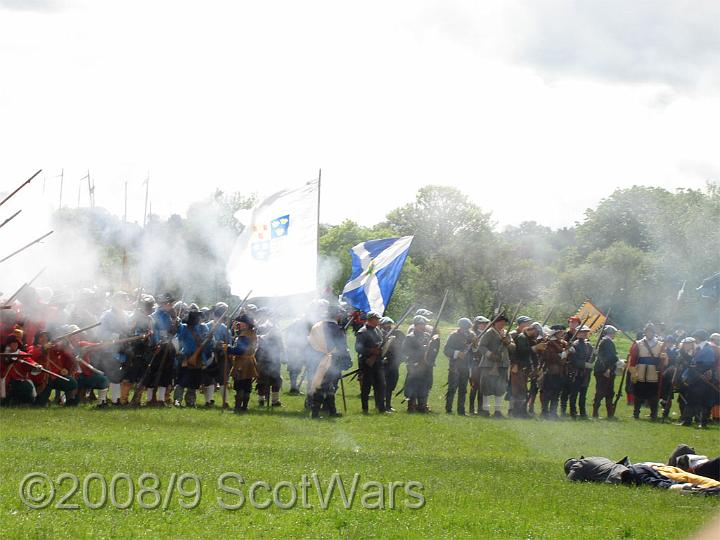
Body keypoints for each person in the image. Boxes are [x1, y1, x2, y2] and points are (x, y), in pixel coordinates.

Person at [307, 304, 352, 419]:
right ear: (337, 315)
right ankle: (315, 413)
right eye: (340, 313)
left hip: (317, 359)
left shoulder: (316, 326)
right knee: (323, 386)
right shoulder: (337, 329)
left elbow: (310, 343)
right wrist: (346, 359)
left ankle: (332, 411)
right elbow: (342, 347)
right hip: (331, 361)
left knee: (328, 387)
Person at [173, 305, 210, 407]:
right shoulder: (184, 327)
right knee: (182, 380)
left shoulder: (203, 327)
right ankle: (177, 400)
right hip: (186, 356)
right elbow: (177, 340)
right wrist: (178, 352)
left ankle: (190, 401)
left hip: (198, 357)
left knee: (194, 381)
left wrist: (209, 339)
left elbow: (208, 344)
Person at [144, 293, 177, 407]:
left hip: (167, 346)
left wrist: (174, 321)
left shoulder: (169, 315)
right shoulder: (154, 316)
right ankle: (149, 399)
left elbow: (172, 330)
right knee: (153, 372)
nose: (171, 306)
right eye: (170, 304)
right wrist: (157, 343)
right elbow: (154, 331)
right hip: (157, 347)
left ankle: (161, 399)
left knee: (166, 373)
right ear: (165, 304)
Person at [681, 330, 719, 429]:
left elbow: (709, 363)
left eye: (696, 337)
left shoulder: (708, 349)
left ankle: (703, 422)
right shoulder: (698, 348)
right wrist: (686, 358)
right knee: (691, 398)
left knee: (704, 401)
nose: (695, 339)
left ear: (700, 337)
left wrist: (696, 366)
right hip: (695, 378)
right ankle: (687, 420)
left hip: (703, 378)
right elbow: (693, 361)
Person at [96, 291, 130, 405]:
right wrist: (117, 335)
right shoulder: (107, 315)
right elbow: (101, 333)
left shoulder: (126, 315)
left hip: (122, 349)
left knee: (119, 376)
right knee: (113, 376)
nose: (124, 303)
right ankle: (113, 400)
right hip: (110, 350)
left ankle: (116, 399)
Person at [29, 331, 78, 406]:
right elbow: (32, 355)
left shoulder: (53, 348)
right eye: (41, 337)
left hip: (55, 377)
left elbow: (66, 352)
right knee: (40, 404)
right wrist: (43, 348)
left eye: (46, 337)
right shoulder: (33, 348)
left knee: (72, 383)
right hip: (42, 379)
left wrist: (65, 342)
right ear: (37, 339)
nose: (44, 339)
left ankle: (69, 401)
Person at [627, 323, 665, 420]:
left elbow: (663, 360)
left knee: (653, 395)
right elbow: (633, 359)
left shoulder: (660, 344)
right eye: (647, 331)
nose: (649, 333)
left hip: (653, 373)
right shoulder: (638, 343)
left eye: (651, 331)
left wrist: (662, 360)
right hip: (640, 371)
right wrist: (633, 372)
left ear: (653, 332)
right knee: (638, 394)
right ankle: (636, 413)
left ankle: (653, 414)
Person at [477, 314, 512, 418]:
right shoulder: (489, 333)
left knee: (500, 388)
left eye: (504, 322)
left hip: (502, 364)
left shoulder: (506, 333)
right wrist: (490, 355)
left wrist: (508, 342)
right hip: (489, 364)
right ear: (495, 322)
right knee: (486, 387)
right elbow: (481, 346)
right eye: (501, 322)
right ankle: (485, 410)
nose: (503, 324)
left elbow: (512, 348)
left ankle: (498, 411)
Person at [509, 321, 544, 417]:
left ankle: (522, 412)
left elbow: (532, 354)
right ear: (533, 330)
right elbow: (521, 351)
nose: (537, 336)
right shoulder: (522, 337)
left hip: (524, 367)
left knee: (523, 390)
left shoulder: (528, 339)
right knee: (519, 390)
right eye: (537, 333)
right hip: (519, 366)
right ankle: (517, 412)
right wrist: (535, 347)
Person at [225, 313, 258, 413]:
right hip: (250, 362)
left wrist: (228, 349)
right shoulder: (251, 333)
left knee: (240, 385)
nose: (238, 324)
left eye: (241, 322)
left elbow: (240, 351)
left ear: (246, 325)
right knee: (246, 386)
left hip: (242, 363)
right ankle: (244, 407)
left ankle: (238, 408)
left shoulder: (243, 336)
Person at [355, 311, 387, 414]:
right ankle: (365, 409)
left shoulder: (378, 330)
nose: (378, 321)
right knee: (366, 386)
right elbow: (358, 348)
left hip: (378, 362)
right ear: (371, 319)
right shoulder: (362, 332)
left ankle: (381, 408)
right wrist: (372, 351)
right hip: (366, 362)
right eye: (376, 319)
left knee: (381, 385)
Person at [402, 315, 434, 413]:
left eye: (424, 325)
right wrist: (420, 351)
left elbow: (431, 350)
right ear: (415, 325)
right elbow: (406, 351)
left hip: (426, 365)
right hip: (414, 365)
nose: (423, 326)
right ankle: (411, 406)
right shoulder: (410, 337)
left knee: (425, 385)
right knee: (413, 385)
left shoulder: (427, 336)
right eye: (421, 325)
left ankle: (422, 405)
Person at [443, 318, 474, 415]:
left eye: (468, 327)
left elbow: (475, 351)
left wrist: (476, 344)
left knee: (463, 389)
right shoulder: (453, 335)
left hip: (466, 365)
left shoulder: (471, 335)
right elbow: (446, 350)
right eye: (465, 327)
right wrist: (457, 353)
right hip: (455, 365)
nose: (466, 329)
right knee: (452, 388)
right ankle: (448, 409)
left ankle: (461, 410)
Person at [255, 309, 285, 407]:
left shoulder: (277, 328)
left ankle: (275, 400)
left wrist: (283, 353)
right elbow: (257, 339)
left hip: (275, 357)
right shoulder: (263, 326)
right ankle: (261, 399)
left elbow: (280, 343)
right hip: (263, 357)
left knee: (276, 379)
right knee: (262, 379)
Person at [538, 325, 567, 419]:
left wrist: (566, 353)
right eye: (560, 332)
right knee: (547, 392)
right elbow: (549, 357)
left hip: (559, 371)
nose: (562, 334)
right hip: (550, 370)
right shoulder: (549, 343)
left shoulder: (561, 343)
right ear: (556, 333)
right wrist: (561, 356)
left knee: (556, 393)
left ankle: (553, 412)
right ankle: (545, 412)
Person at [566, 325, 593, 419]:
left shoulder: (588, 345)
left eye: (585, 332)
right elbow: (573, 360)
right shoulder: (574, 345)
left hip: (585, 373)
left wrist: (594, 355)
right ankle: (573, 412)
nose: (584, 333)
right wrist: (584, 364)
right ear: (578, 333)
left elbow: (591, 358)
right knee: (574, 394)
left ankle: (583, 413)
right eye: (582, 332)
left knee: (583, 394)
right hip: (576, 373)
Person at [592, 325, 619, 419]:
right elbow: (609, 358)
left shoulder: (605, 341)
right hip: (604, 370)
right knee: (602, 391)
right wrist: (607, 369)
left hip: (603, 370)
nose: (614, 335)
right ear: (610, 333)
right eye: (613, 333)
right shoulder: (607, 342)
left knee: (608, 392)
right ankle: (597, 413)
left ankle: (608, 414)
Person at [379, 316, 404, 412]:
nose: (388, 326)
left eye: (389, 324)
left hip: (394, 363)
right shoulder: (379, 334)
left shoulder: (397, 334)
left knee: (391, 385)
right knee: (383, 385)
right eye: (386, 324)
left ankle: (388, 405)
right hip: (383, 363)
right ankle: (381, 405)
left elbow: (402, 346)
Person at [469, 316, 490, 415]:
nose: (484, 325)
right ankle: (471, 409)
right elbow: (473, 350)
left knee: (483, 386)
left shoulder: (487, 335)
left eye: (485, 323)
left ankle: (480, 409)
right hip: (475, 363)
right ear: (477, 324)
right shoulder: (472, 334)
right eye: (482, 323)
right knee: (474, 386)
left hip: (485, 363)